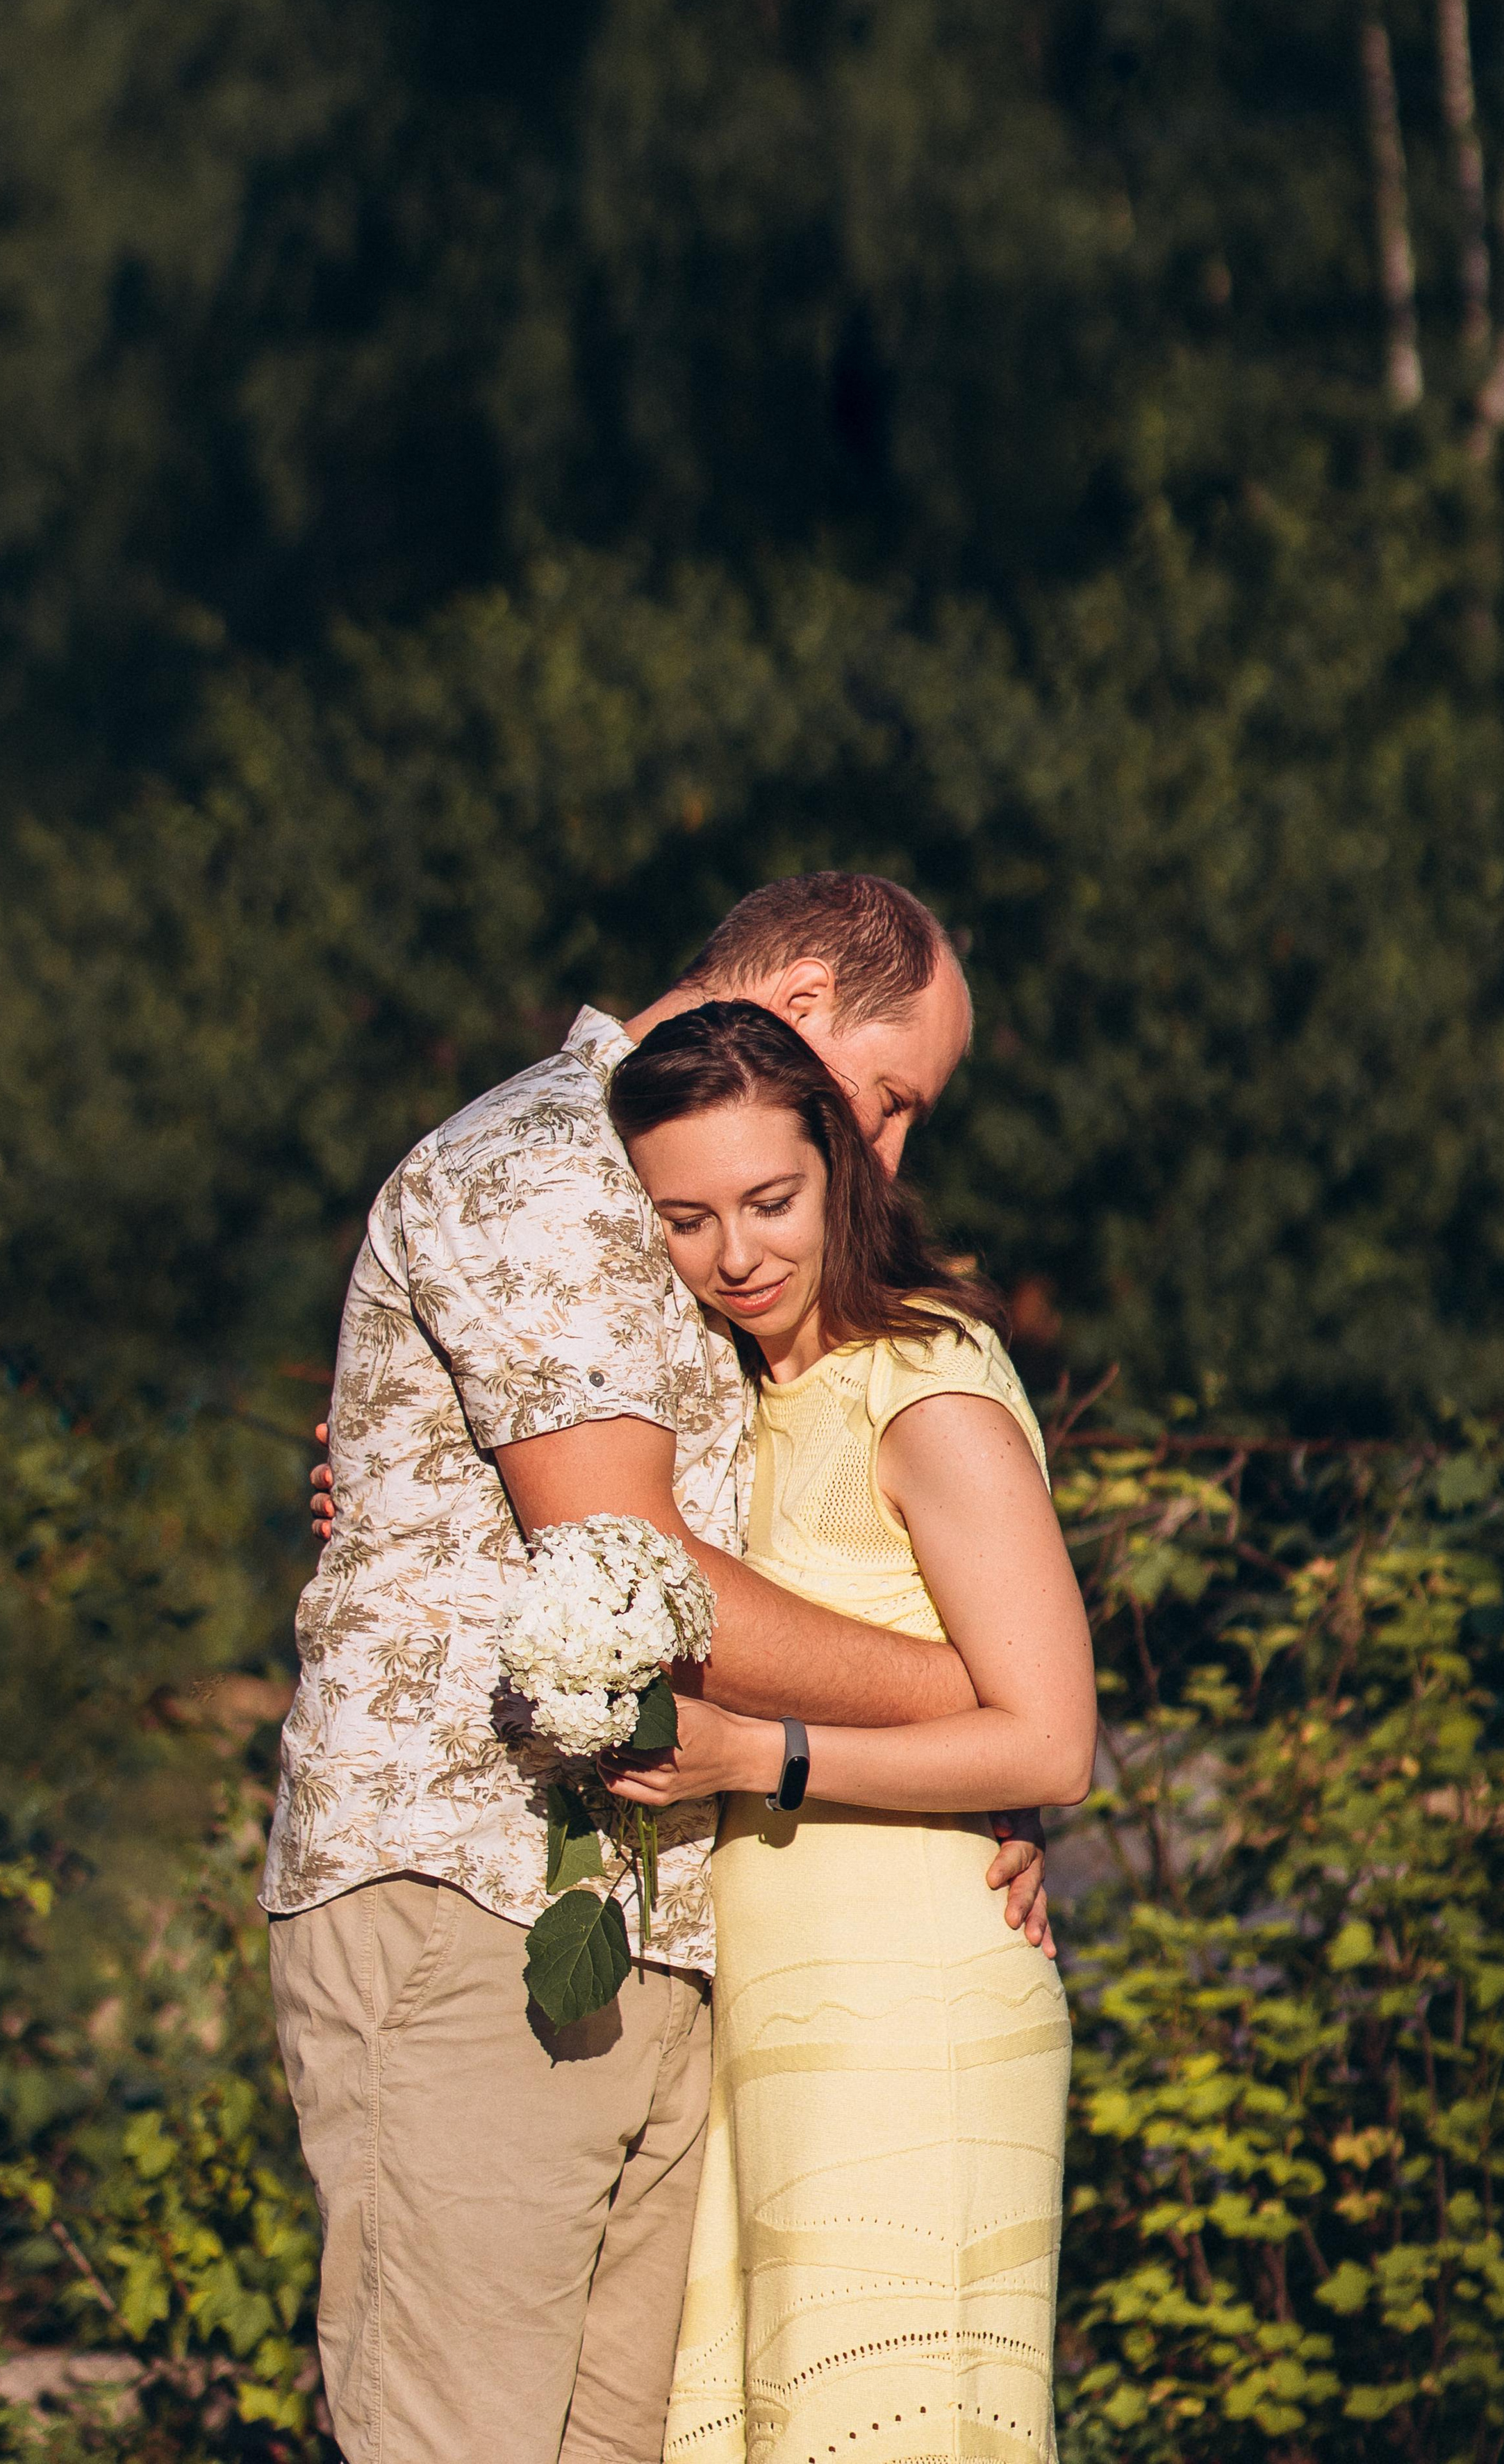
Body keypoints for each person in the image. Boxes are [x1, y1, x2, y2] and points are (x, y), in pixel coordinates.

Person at [270, 873, 1056, 2464]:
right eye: (892, 1099)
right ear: (808, 1010)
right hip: (471, 1889)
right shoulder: (543, 1170)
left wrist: (976, 1771)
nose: (891, 1153)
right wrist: (981, 1713)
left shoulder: (689, 1206)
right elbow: (635, 1558)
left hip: (656, 1918)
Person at [602, 1000, 1095, 2464]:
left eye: (770, 1202)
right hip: (766, 2003)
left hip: (911, 2006)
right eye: (683, 1219)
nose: (735, 1254)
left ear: (837, 1172)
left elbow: (1050, 1743)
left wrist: (768, 1755)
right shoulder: (731, 1391)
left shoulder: (923, 1382)